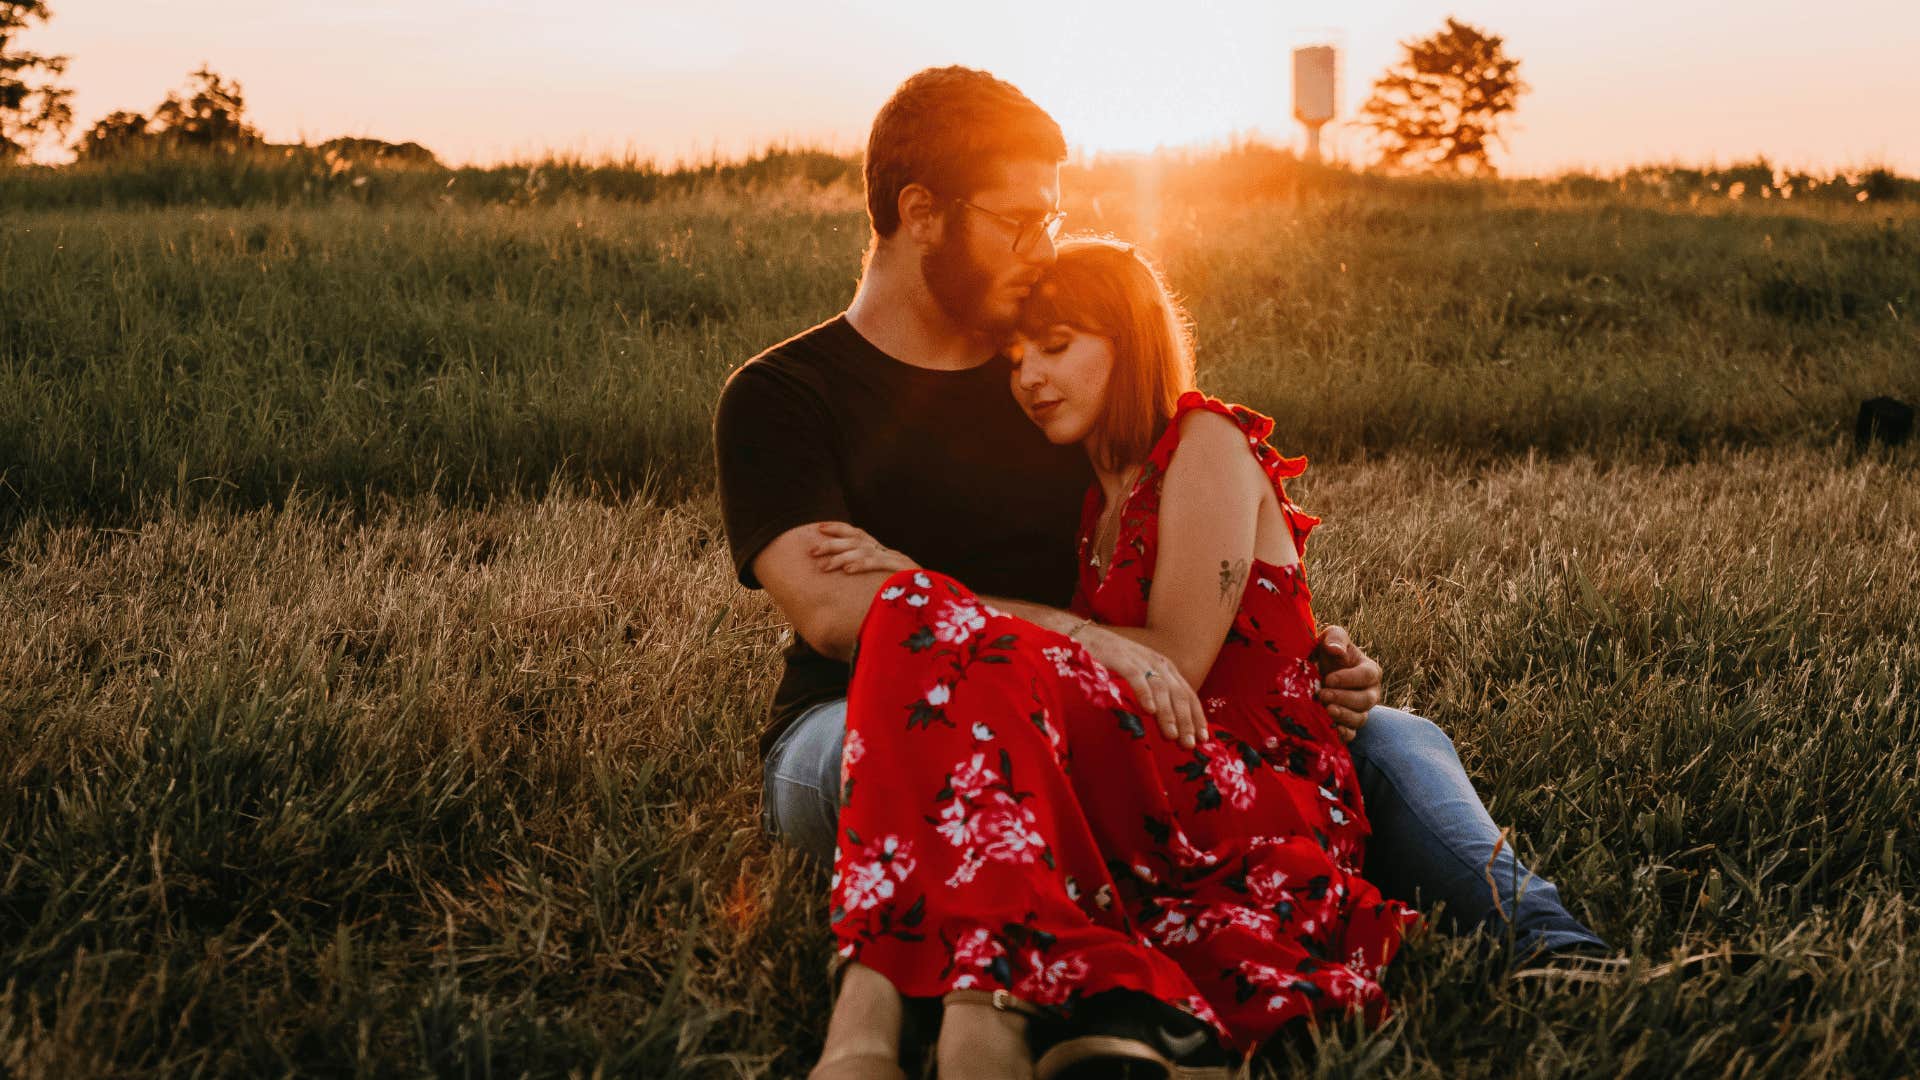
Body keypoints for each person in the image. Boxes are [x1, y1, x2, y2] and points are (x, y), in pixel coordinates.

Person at [714, 66, 1609, 1079]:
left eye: (1053, 221)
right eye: (1019, 221)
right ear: (922, 213)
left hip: (1094, 710)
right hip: (853, 724)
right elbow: (842, 613)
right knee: (946, 736)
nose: (1043, 248)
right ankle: (992, 1008)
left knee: (1389, 737)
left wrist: (1301, 652)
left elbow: (1177, 553)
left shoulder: (1056, 392)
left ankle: (1544, 942)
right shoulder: (783, 394)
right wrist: (1070, 635)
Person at [815, 236, 1422, 1076]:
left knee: (922, 606)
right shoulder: (1088, 495)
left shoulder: (1204, 440)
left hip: (1251, 783)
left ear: (1129, 340)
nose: (1029, 377)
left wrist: (938, 589)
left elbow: (1175, 660)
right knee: (927, 627)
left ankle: (925, 1009)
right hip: (1152, 769)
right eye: (1018, 358)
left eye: (1057, 348)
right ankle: (906, 1012)